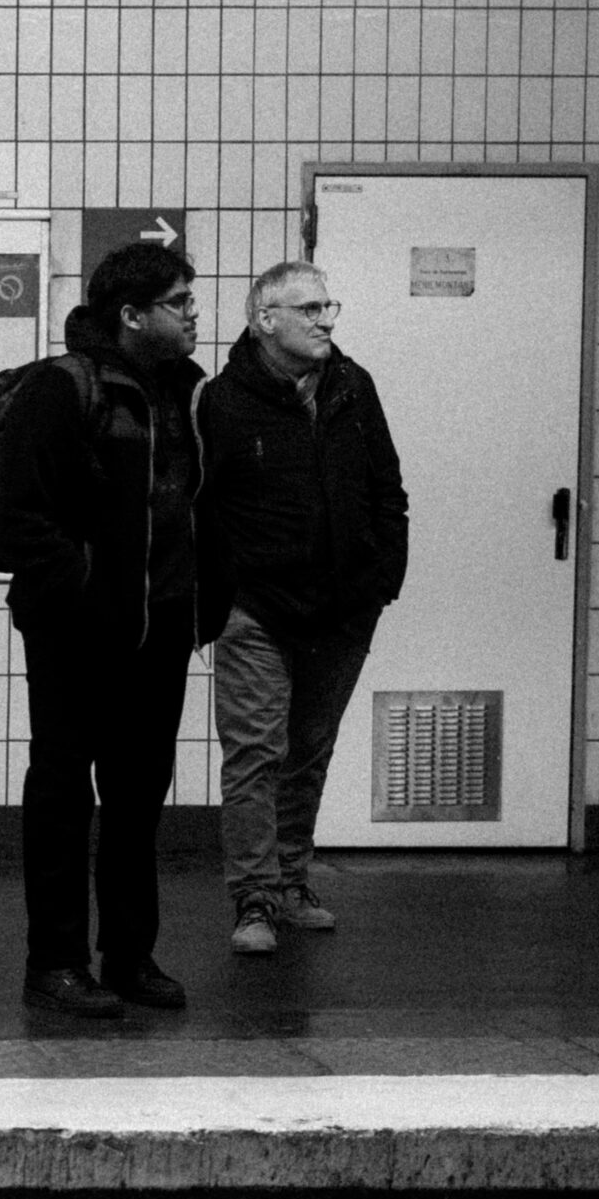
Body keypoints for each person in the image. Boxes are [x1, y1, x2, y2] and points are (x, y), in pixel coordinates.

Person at [0, 242, 206, 1018]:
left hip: (162, 625)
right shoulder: (64, 386)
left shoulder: (186, 390)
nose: (193, 314)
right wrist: (82, 591)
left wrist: (201, 601)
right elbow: (20, 513)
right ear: (132, 314)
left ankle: (129, 954)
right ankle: (54, 962)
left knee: (138, 794)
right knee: (62, 791)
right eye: (179, 302)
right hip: (75, 630)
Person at [199, 262, 408, 954]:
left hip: (344, 607)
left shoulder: (353, 386)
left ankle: (291, 882)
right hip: (256, 610)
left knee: (310, 750)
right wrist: (221, 595)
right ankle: (254, 897)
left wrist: (383, 579)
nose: (326, 320)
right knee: (255, 754)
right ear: (265, 319)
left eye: (328, 306)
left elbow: (387, 488)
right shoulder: (223, 401)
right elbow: (203, 506)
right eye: (309, 309)